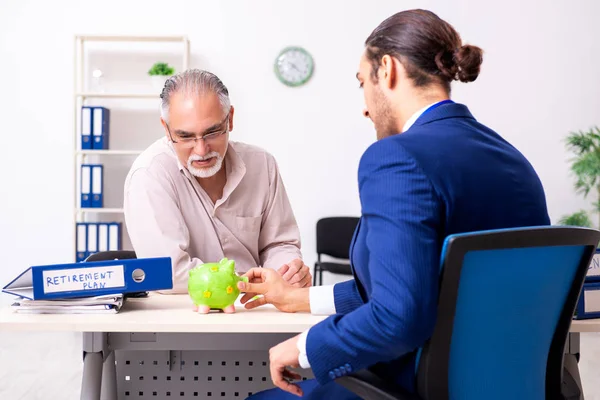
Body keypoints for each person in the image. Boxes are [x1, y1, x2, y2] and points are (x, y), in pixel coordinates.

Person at [242, 9, 551, 399]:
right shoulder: (511, 159)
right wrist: (298, 298)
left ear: (386, 70)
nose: (365, 108)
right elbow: (433, 284)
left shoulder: (396, 158)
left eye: (361, 84)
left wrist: (305, 347)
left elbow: (400, 316)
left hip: (416, 384)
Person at [123, 69, 311, 298]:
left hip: (259, 311)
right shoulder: (150, 174)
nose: (201, 150)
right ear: (166, 129)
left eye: (212, 133)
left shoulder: (262, 165)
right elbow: (169, 274)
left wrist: (287, 271)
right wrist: (250, 283)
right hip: (183, 317)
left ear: (230, 119)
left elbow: (279, 244)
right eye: (185, 137)